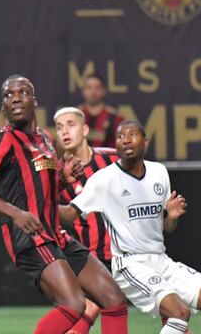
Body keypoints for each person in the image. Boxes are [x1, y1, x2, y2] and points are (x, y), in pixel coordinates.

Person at [0, 75, 127, 334]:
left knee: (114, 299)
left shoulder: (43, 139)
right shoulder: (3, 139)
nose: (16, 98)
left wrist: (63, 180)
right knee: (74, 304)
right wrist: (16, 213)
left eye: (23, 92)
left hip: (56, 235)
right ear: (3, 106)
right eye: (9, 95)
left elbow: (45, 191)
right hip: (30, 236)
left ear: (34, 100)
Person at [59, 120, 201, 334]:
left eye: (132, 134)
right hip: (129, 264)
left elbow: (166, 228)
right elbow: (70, 214)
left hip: (161, 260)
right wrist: (40, 205)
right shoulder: (104, 179)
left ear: (145, 141)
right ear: (115, 145)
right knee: (179, 313)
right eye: (120, 136)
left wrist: (172, 216)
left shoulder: (159, 172)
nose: (125, 139)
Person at [54, 106, 120, 333]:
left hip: (127, 255)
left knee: (172, 309)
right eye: (59, 127)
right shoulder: (58, 177)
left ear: (85, 129)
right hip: (90, 261)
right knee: (84, 314)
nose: (65, 131)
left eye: (71, 124)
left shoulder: (113, 159)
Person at [78, 74, 124, 148]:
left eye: (97, 88)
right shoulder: (75, 116)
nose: (93, 92)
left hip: (108, 159)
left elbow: (122, 147)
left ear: (104, 91)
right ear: (83, 91)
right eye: (89, 87)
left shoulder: (115, 118)